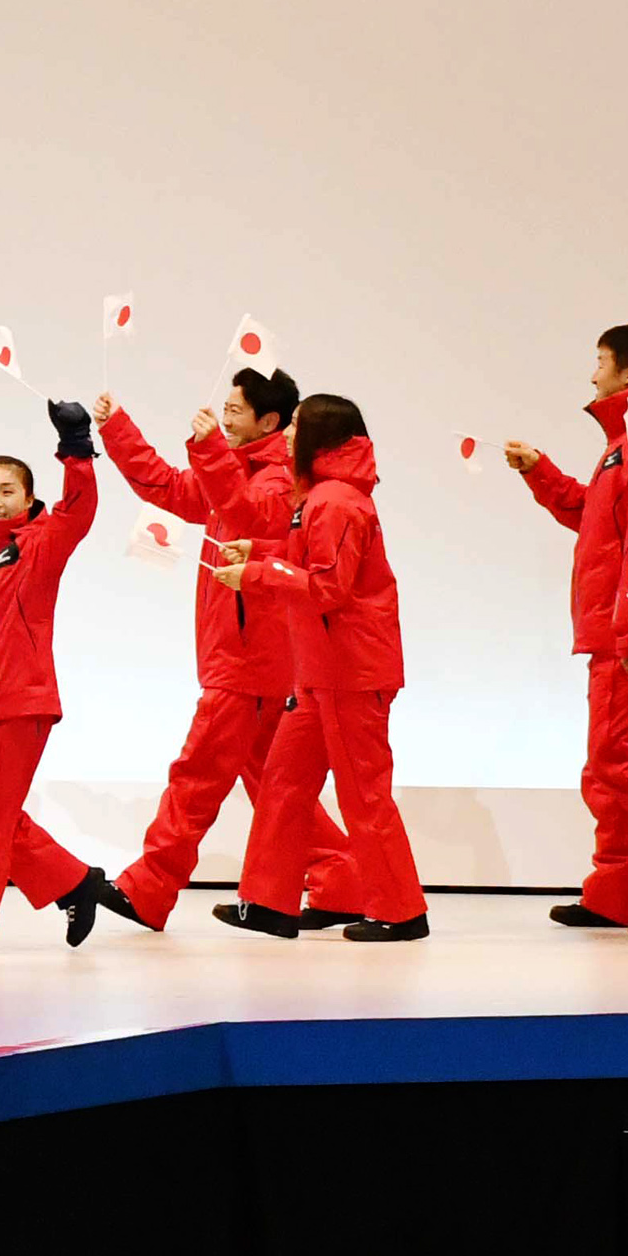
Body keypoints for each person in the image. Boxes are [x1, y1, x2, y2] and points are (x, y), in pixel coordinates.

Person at [90, 370, 352, 932]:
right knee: (275, 786)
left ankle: (149, 887)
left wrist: (209, 448)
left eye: (236, 409)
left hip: (249, 662)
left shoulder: (276, 482)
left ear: (270, 421)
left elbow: (242, 516)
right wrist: (116, 428)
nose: (224, 414)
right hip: (245, 660)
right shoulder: (237, 474)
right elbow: (163, 486)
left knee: (197, 775)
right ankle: (340, 876)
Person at [215, 395, 429, 941]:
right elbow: (312, 561)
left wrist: (257, 575)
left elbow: (328, 588)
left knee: (363, 793)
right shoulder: (326, 498)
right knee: (284, 783)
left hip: (349, 673)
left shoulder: (333, 501)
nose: (286, 435)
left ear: (320, 440)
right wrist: (258, 553)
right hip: (323, 672)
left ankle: (400, 911)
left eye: (295, 427)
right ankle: (267, 901)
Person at [504, 325, 628, 932]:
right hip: (619, 626)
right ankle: (614, 889)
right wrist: (540, 472)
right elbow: (598, 519)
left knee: (615, 760)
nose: (592, 375)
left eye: (600, 363)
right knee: (609, 763)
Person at [0, 410, 124, 949]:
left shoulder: (40, 544)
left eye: (7, 490)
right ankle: (75, 882)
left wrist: (76, 448)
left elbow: (78, 510)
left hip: (21, 703)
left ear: (28, 497)